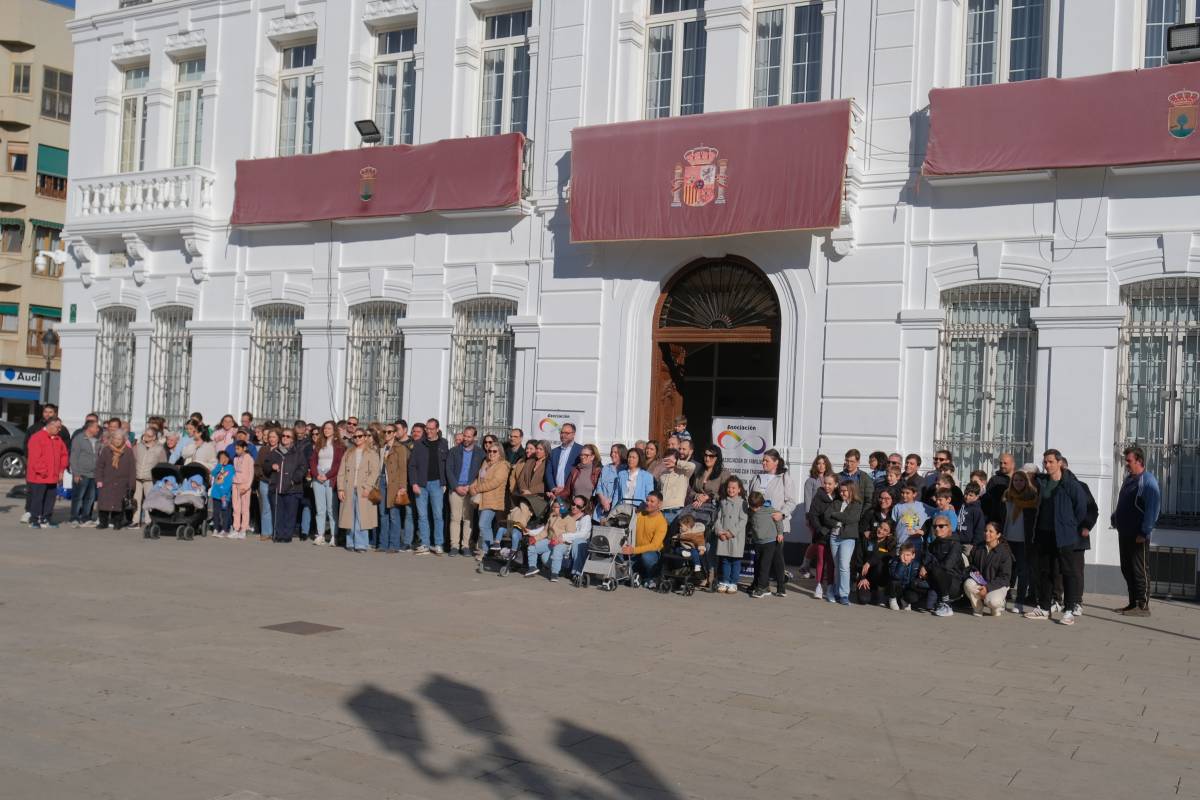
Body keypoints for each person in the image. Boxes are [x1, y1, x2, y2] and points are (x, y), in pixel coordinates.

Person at [1025, 449, 1090, 625]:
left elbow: (1081, 509)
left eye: (1051, 462)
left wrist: (1069, 525)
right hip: (1044, 534)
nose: (1047, 465)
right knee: (1045, 572)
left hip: (1065, 536)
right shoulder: (1042, 482)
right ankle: (1044, 607)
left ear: (1059, 462)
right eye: (1045, 462)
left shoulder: (1070, 484)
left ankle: (1069, 609)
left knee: (1068, 572)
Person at [1111, 445, 1160, 617]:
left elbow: (1152, 509)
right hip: (1124, 532)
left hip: (1138, 535)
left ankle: (1143, 606)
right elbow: (1124, 502)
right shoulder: (1129, 479)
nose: (1126, 463)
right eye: (1126, 460)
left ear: (1139, 461)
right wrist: (1115, 517)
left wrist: (1144, 531)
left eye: (1129, 460)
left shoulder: (1147, 481)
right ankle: (1132, 603)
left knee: (1140, 570)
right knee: (1127, 568)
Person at [23, 403, 71, 524]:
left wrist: (61, 471)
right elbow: (35, 458)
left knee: (50, 499)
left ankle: (46, 518)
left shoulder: (58, 439)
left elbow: (64, 455)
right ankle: (35, 519)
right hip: (39, 476)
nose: (60, 430)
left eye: (60, 428)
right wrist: (44, 472)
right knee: (38, 499)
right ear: (50, 425)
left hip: (53, 476)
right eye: (58, 427)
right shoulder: (36, 437)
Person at [408, 418, 450, 554]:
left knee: (438, 515)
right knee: (422, 515)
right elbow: (412, 465)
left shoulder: (444, 443)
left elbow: (446, 465)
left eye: (432, 429)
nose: (429, 431)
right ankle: (425, 543)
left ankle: (438, 544)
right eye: (427, 428)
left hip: (437, 484)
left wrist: (444, 483)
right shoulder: (419, 444)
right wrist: (414, 483)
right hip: (421, 484)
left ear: (437, 429)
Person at [336, 427, 381, 553]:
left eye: (360, 436)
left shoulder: (372, 453)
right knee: (349, 516)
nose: (357, 439)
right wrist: (340, 489)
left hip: (363, 489)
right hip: (349, 488)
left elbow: (374, 472)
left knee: (362, 518)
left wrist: (367, 487)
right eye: (355, 437)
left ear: (365, 437)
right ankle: (350, 542)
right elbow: (341, 472)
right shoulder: (348, 452)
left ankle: (361, 544)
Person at [1002, 467, 1038, 614]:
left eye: (1021, 480)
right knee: (1008, 570)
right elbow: (1003, 517)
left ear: (1026, 482)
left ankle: (1020, 601)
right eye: (1015, 480)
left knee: (1023, 572)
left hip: (1024, 540)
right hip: (1008, 538)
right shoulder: (1007, 496)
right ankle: (1003, 597)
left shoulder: (1031, 497)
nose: (1018, 483)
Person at [821, 480, 863, 606]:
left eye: (845, 490)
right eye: (841, 490)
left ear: (851, 491)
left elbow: (851, 519)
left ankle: (844, 594)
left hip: (848, 538)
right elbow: (826, 517)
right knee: (837, 566)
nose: (842, 493)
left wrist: (835, 514)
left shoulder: (857, 504)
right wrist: (837, 518)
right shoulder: (837, 502)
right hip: (834, 536)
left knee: (844, 566)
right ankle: (837, 592)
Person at [446, 426, 484, 557]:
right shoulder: (454, 451)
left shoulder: (480, 453)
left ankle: (466, 546)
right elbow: (449, 470)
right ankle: (454, 546)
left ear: (474, 437)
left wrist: (471, 486)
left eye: (469, 436)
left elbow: (481, 472)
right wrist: (456, 486)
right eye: (465, 436)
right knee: (455, 518)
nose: (466, 439)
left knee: (468, 518)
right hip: (456, 489)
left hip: (470, 489)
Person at [746, 449, 798, 542]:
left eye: (767, 461)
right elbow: (749, 499)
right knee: (759, 555)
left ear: (776, 462)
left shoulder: (784, 478)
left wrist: (782, 514)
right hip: (758, 526)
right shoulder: (756, 478)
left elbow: (791, 502)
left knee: (774, 555)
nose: (764, 463)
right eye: (763, 460)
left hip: (775, 527)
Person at [266, 429, 308, 543]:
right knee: (278, 512)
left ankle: (287, 535)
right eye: (283, 435)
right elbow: (265, 465)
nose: (285, 438)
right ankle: (279, 534)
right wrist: (271, 466)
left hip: (292, 488)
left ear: (292, 439)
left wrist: (294, 480)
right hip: (276, 487)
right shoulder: (275, 452)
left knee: (290, 513)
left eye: (288, 436)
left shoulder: (298, 453)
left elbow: (303, 468)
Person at [964, 521, 1014, 617]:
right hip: (982, 582)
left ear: (998, 535)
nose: (987, 533)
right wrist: (980, 581)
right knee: (968, 584)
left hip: (998, 585)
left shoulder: (1005, 552)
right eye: (985, 531)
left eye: (991, 531)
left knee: (993, 602)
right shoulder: (978, 548)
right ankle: (978, 608)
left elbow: (1005, 577)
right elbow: (972, 566)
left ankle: (998, 605)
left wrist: (987, 588)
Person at [470, 441, 511, 557]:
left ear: (500, 453)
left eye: (494, 451)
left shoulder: (503, 465)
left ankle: (488, 551)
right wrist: (474, 486)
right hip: (482, 500)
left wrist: (478, 489)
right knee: (484, 525)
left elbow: (495, 482)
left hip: (493, 499)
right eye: (489, 451)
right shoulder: (486, 463)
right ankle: (488, 549)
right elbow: (480, 478)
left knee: (483, 525)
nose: (491, 453)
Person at [620, 491, 667, 585]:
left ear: (659, 504)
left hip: (651, 553)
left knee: (647, 556)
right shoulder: (639, 514)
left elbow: (654, 546)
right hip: (634, 552)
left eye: (652, 501)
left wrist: (633, 550)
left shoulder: (662, 522)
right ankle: (635, 575)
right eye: (647, 500)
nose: (648, 503)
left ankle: (652, 577)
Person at [309, 421, 344, 546]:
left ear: (334, 430)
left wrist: (327, 475)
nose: (326, 430)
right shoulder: (319, 444)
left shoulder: (339, 446)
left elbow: (339, 464)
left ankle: (334, 536)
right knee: (320, 508)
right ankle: (320, 534)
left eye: (329, 428)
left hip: (331, 478)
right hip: (318, 477)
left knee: (331, 508)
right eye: (325, 428)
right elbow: (312, 460)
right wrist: (316, 474)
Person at [922, 513, 964, 617]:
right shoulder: (933, 544)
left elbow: (947, 566)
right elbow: (926, 560)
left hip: (953, 582)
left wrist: (928, 567)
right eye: (935, 526)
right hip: (936, 578)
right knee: (914, 586)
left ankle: (947, 604)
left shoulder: (955, 544)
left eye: (941, 526)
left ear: (949, 527)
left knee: (937, 570)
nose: (937, 528)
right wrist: (923, 567)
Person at [379, 423, 413, 553]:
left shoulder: (400, 448)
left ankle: (394, 544)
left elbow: (403, 469)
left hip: (393, 484)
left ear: (394, 433)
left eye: (389, 432)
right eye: (385, 432)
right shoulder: (382, 447)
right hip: (381, 481)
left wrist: (402, 487)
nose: (386, 434)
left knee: (394, 514)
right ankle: (383, 543)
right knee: (383, 514)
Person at [748, 490, 787, 599]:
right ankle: (761, 585)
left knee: (766, 565)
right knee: (758, 564)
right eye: (752, 507)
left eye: (756, 507)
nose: (755, 509)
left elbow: (778, 520)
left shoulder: (769, 510)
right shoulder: (751, 511)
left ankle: (764, 588)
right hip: (758, 542)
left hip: (771, 541)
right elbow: (751, 524)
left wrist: (780, 533)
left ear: (761, 504)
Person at [93, 430, 135, 530]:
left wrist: (131, 485)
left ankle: (117, 523)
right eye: (115, 438)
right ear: (112, 439)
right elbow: (100, 466)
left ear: (123, 440)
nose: (117, 441)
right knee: (104, 503)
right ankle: (103, 522)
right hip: (107, 481)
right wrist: (99, 479)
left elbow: (132, 469)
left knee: (119, 504)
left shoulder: (128, 452)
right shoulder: (106, 450)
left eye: (120, 439)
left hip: (122, 482)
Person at [805, 473, 838, 599]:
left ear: (836, 484)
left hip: (834, 534)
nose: (827, 486)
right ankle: (818, 585)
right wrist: (819, 530)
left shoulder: (838, 497)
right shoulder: (818, 496)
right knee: (821, 560)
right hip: (821, 535)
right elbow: (813, 515)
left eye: (830, 484)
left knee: (831, 562)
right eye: (825, 483)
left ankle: (830, 586)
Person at [714, 476, 748, 594]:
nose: (731, 490)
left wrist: (731, 532)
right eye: (729, 487)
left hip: (735, 538)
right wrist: (720, 531)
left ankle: (733, 583)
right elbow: (718, 519)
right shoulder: (723, 502)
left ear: (739, 489)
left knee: (735, 561)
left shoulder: (742, 503)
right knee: (725, 560)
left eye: (734, 488)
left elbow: (743, 520)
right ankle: (724, 581)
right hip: (723, 536)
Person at [852, 518, 895, 606]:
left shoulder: (890, 544)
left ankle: (879, 591)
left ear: (889, 533)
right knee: (863, 600)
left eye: (885, 530)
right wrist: (863, 577)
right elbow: (858, 559)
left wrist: (869, 562)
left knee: (881, 562)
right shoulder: (867, 538)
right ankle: (868, 591)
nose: (881, 531)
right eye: (880, 527)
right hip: (865, 575)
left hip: (880, 579)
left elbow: (886, 555)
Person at [68, 419, 102, 527]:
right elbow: (73, 457)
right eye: (96, 427)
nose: (98, 429)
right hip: (81, 473)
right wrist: (76, 473)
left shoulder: (97, 440)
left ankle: (86, 518)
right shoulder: (79, 439)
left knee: (90, 497)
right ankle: (74, 518)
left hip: (93, 474)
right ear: (90, 427)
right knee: (78, 497)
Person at [133, 428, 166, 527]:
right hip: (137, 477)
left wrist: (160, 480)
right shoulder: (138, 447)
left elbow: (162, 465)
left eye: (148, 435)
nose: (145, 437)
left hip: (150, 479)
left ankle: (149, 521)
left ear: (154, 437)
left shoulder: (160, 449)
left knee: (150, 501)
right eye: (145, 435)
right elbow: (133, 461)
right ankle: (135, 521)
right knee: (136, 500)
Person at [545, 422, 582, 501]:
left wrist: (566, 489)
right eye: (562, 432)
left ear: (573, 434)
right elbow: (549, 472)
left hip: (571, 494)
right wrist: (553, 488)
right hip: (555, 493)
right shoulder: (554, 452)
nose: (563, 435)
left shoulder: (580, 451)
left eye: (567, 433)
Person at [254, 429, 280, 541]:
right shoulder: (263, 450)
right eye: (270, 437)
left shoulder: (282, 450)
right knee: (266, 507)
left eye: (274, 437)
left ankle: (276, 531)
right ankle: (266, 532)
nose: (272, 439)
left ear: (278, 438)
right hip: (264, 481)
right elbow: (257, 465)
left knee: (277, 506)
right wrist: (260, 475)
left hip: (277, 482)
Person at [655, 449, 691, 524]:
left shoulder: (684, 472)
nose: (668, 461)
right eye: (666, 459)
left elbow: (692, 466)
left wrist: (676, 463)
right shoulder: (662, 474)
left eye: (670, 459)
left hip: (676, 512)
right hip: (662, 512)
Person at [613, 447, 655, 511]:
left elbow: (649, 496)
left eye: (634, 457)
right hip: (622, 509)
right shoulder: (621, 474)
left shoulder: (647, 476)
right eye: (629, 457)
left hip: (638, 510)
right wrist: (613, 510)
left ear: (639, 459)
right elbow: (617, 494)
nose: (630, 459)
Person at [593, 444, 627, 521]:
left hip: (616, 507)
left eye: (616, 452)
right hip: (601, 507)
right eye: (611, 452)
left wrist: (609, 501)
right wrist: (603, 500)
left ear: (622, 453)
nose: (612, 454)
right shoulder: (606, 468)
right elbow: (599, 485)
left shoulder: (625, 469)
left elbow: (620, 489)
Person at [230, 440, 255, 539]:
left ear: (245, 448)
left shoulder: (249, 458)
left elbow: (251, 474)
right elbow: (235, 471)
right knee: (236, 508)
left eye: (238, 448)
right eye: (235, 449)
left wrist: (247, 486)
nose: (236, 451)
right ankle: (236, 528)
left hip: (244, 486)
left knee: (245, 508)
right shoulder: (235, 459)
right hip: (235, 484)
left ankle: (244, 529)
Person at [887, 542, 922, 611]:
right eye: (902, 554)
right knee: (894, 581)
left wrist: (915, 582)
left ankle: (904, 600)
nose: (905, 557)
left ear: (913, 555)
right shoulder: (894, 561)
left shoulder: (916, 564)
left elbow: (918, 578)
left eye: (908, 555)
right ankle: (892, 599)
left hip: (907, 587)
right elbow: (896, 576)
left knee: (913, 598)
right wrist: (902, 564)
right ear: (899, 554)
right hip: (896, 587)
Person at [210, 451, 235, 537]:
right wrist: (219, 464)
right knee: (216, 512)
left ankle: (225, 529)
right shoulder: (219, 467)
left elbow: (229, 483)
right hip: (216, 494)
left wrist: (224, 493)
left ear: (228, 458)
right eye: (221, 457)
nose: (223, 459)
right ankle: (216, 528)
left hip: (224, 495)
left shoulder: (230, 468)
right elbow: (213, 473)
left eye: (225, 457)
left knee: (225, 513)